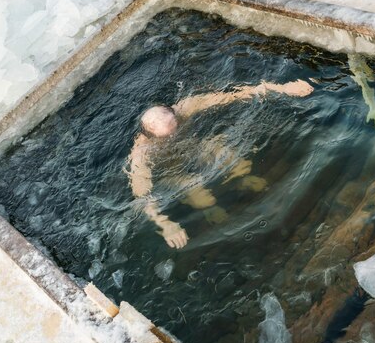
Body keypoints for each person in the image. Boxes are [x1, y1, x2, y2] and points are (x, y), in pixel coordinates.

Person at [128, 79, 314, 249]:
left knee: (224, 151)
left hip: (196, 147)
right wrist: (164, 223)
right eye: (167, 138)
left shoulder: (186, 107)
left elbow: (235, 94)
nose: (173, 137)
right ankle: (210, 210)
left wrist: (282, 88)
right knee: (193, 186)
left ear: (175, 114)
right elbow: (142, 194)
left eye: (175, 129)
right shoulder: (141, 152)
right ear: (150, 136)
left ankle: (242, 178)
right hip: (172, 170)